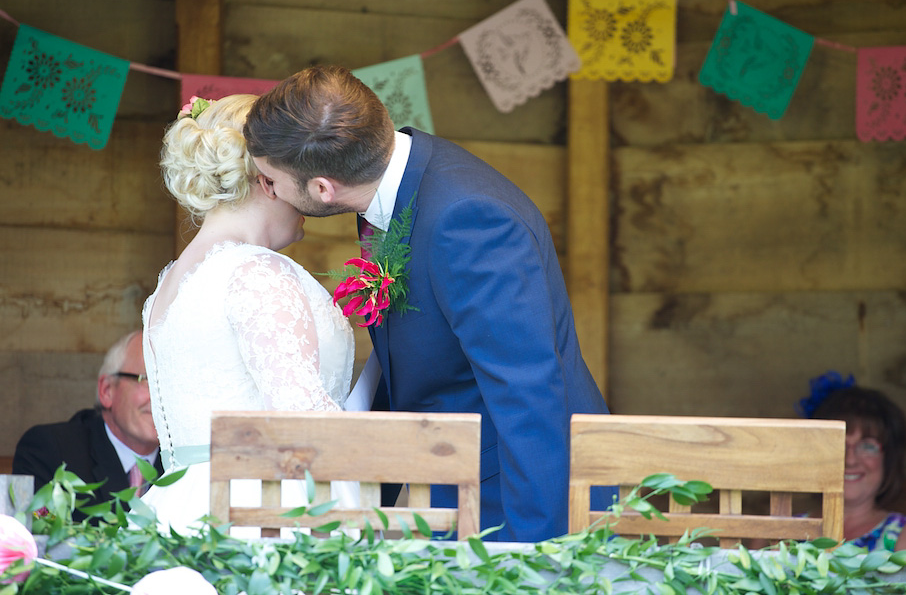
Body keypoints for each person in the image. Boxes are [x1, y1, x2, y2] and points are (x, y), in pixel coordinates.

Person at [243, 65, 614, 542]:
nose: (267, 190)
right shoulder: (391, 187)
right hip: (454, 482)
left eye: (271, 180)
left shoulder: (471, 220)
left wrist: (536, 555)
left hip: (520, 497)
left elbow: (528, 392)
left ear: (321, 189)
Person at [140, 94, 357, 535]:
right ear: (267, 177)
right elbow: (302, 424)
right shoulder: (257, 272)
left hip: (183, 507)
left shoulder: (171, 281)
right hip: (264, 513)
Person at [13, 330, 162, 521]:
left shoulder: (190, 465)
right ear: (107, 390)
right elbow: (40, 540)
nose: (162, 397)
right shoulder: (50, 452)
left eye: (172, 384)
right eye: (148, 380)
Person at [801, 373, 906, 554]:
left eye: (868, 446)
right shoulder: (780, 533)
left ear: (888, 458)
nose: (850, 460)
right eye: (839, 444)